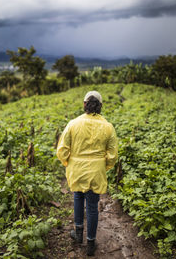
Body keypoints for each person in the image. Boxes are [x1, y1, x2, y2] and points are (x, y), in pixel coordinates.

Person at [57, 90, 118, 256]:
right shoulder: (108, 127)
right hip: (96, 171)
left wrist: (67, 163)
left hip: (77, 169)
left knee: (77, 197)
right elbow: (112, 155)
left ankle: (78, 234)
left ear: (84, 104)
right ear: (101, 106)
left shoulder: (73, 124)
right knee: (92, 207)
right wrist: (102, 167)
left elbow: (62, 149)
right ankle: (90, 243)